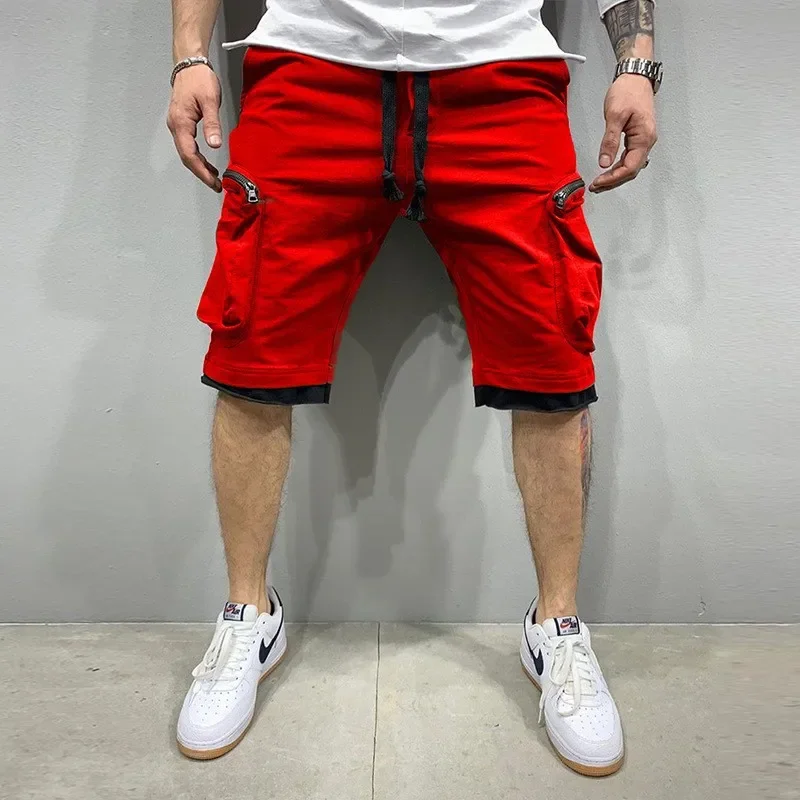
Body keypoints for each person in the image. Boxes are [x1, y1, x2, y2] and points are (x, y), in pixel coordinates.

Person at [167, 0, 660, 776]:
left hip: (499, 75)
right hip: (310, 68)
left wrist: (635, 62)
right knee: (252, 355)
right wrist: (190, 53)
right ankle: (247, 616)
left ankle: (557, 629)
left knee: (553, 363)